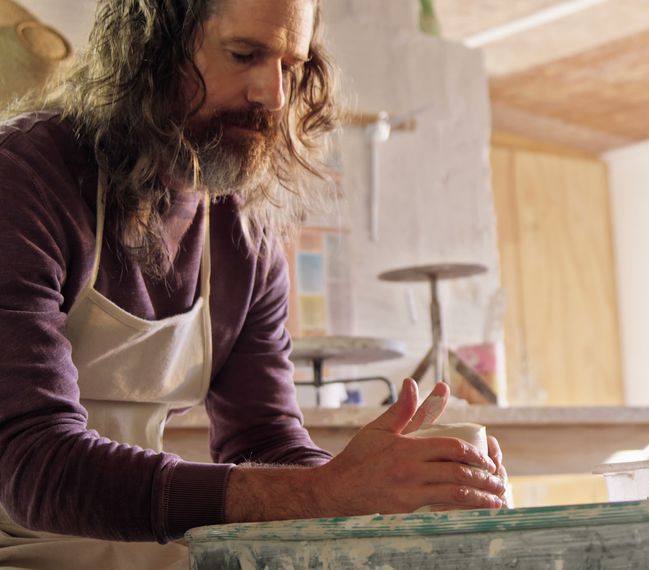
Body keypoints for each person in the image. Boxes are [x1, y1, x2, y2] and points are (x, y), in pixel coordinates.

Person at [0, 0, 508, 567]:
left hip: (143, 550)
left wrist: (389, 492)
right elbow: (33, 465)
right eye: (245, 55)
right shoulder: (23, 181)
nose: (275, 94)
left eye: (291, 66)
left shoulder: (243, 235)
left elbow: (265, 442)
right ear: (153, 49)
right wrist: (324, 494)